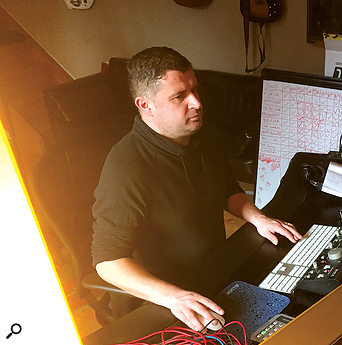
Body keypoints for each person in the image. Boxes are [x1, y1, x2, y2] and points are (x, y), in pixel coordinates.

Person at [91, 46, 302, 332]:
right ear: (146, 105)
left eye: (195, 90)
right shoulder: (126, 166)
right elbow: (108, 262)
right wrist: (174, 297)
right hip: (164, 298)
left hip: (214, 271)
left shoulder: (204, 133)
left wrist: (257, 217)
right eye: (180, 96)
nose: (197, 103)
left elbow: (227, 188)